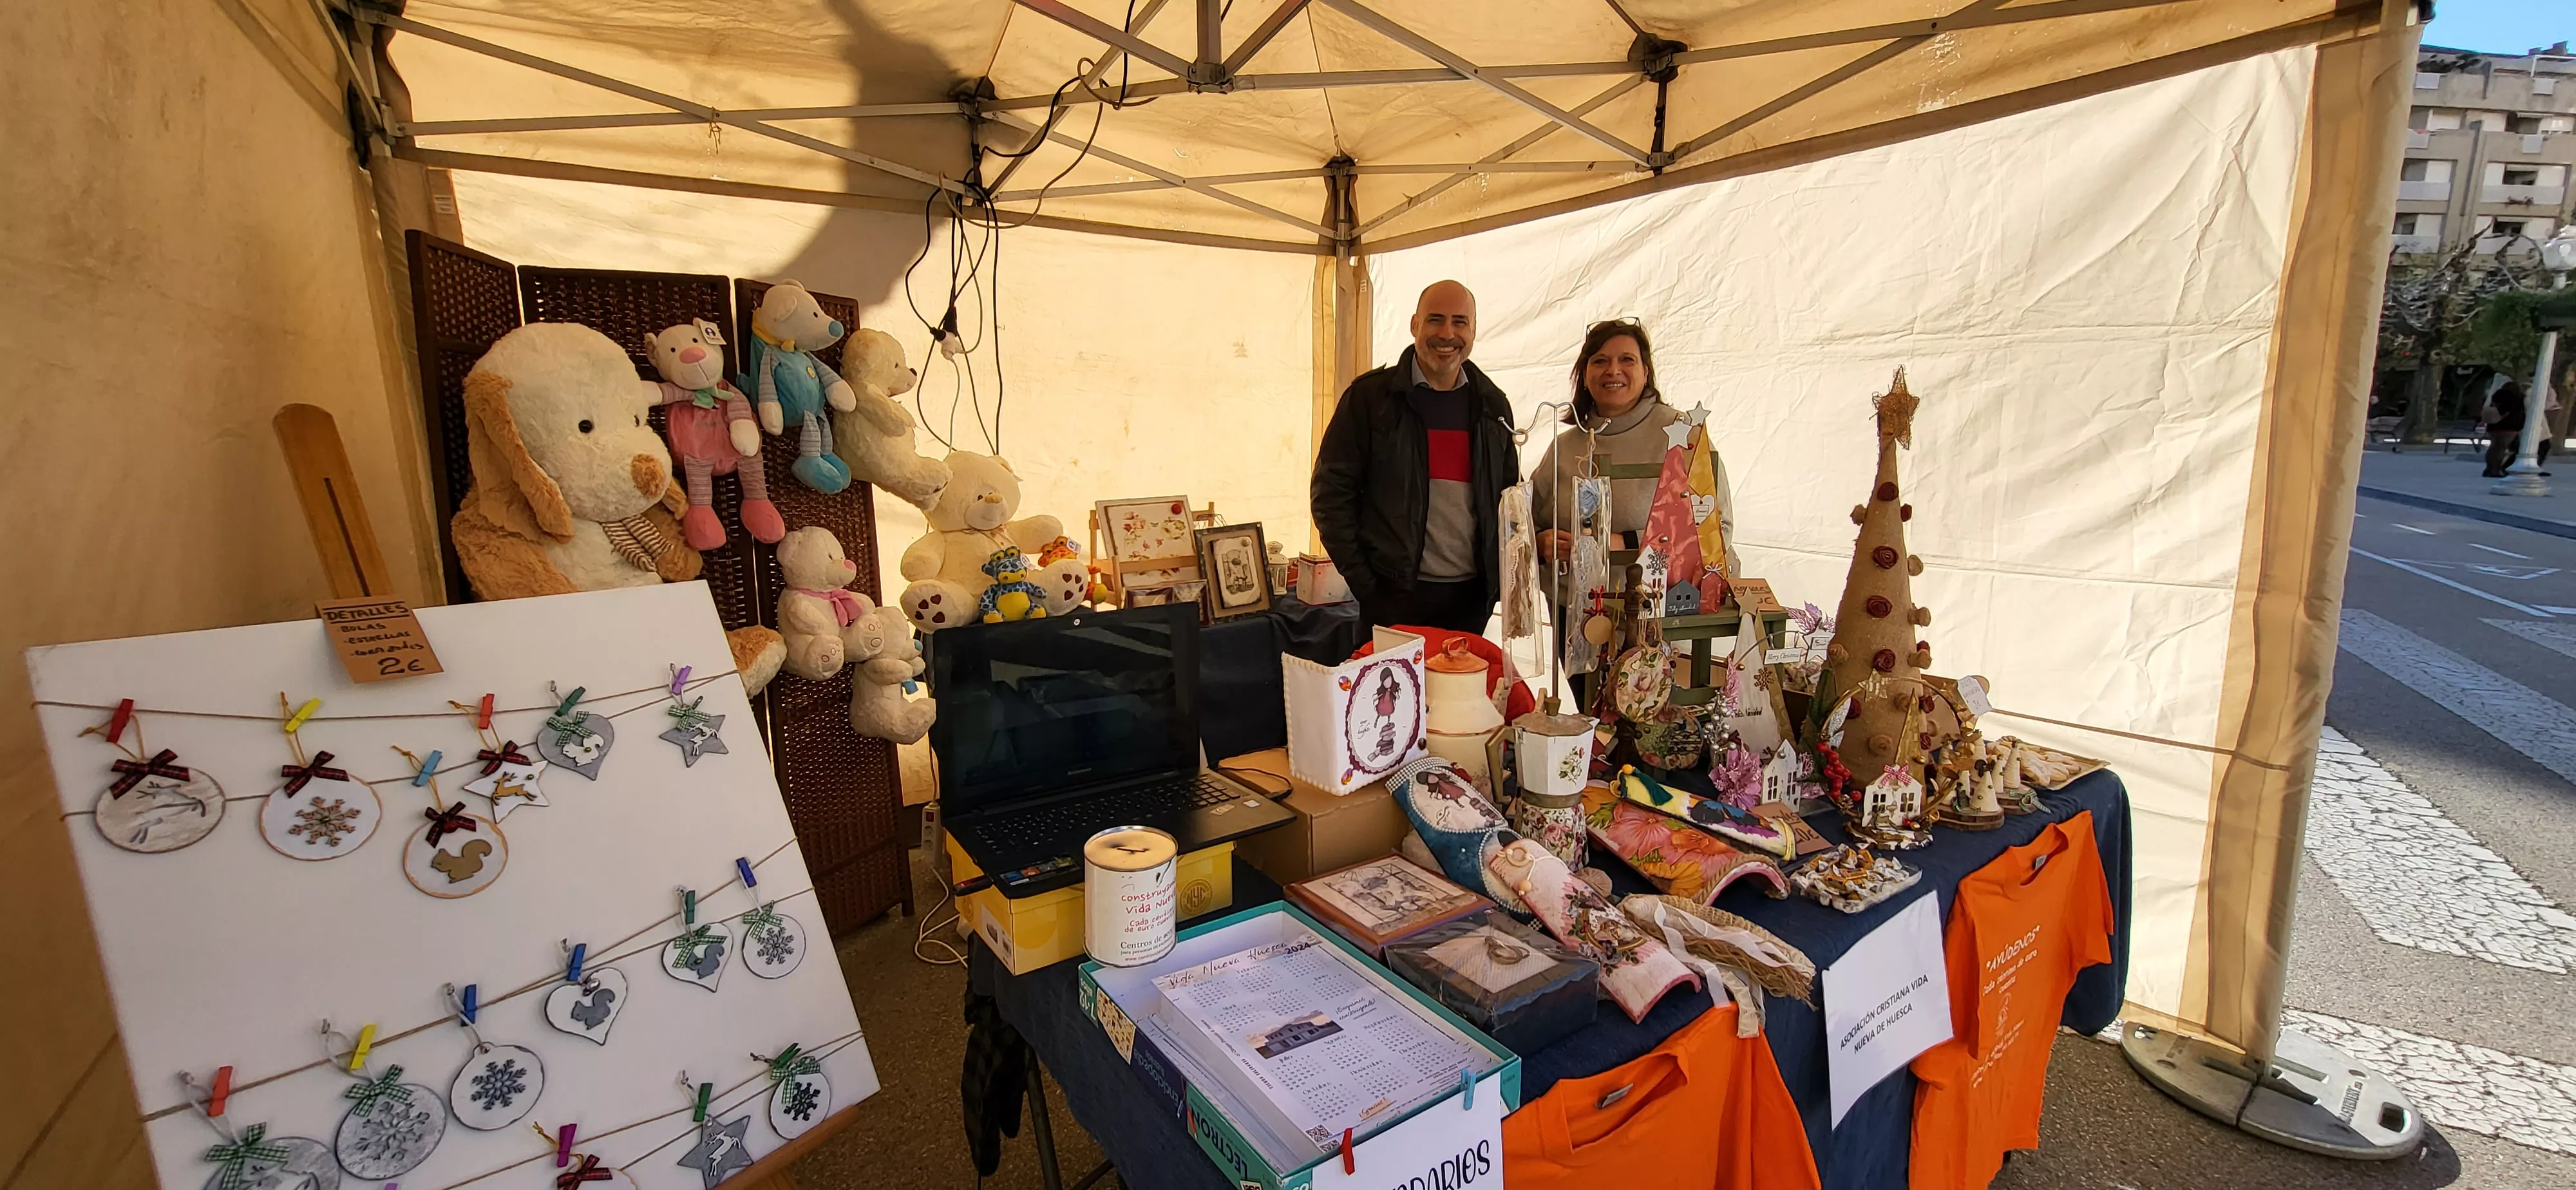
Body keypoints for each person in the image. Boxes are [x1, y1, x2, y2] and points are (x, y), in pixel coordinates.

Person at [1311, 281, 1520, 632]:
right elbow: (1330, 498)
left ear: (1473, 331)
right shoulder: (1370, 400)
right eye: (1435, 320)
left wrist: (1496, 585)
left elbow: (1508, 500)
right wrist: (1367, 586)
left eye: (1460, 322)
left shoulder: (1493, 405)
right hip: (1392, 600)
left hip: (1470, 604)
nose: (1447, 333)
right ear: (1414, 325)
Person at [1531, 319, 1740, 578]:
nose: (1613, 370)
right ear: (1584, 376)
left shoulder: (1683, 435)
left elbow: (1718, 528)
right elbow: (1525, 523)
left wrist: (1628, 542)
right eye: (1600, 361)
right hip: (1570, 602)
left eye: (1627, 360)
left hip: (1663, 601)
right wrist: (1541, 543)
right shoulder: (1563, 448)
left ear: (1646, 372)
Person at [2483, 378, 2555, 478]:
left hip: (2494, 426)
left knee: (2496, 448)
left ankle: (2492, 468)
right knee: (2502, 449)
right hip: (2510, 428)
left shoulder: (2497, 396)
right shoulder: (2520, 399)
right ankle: (2500, 469)